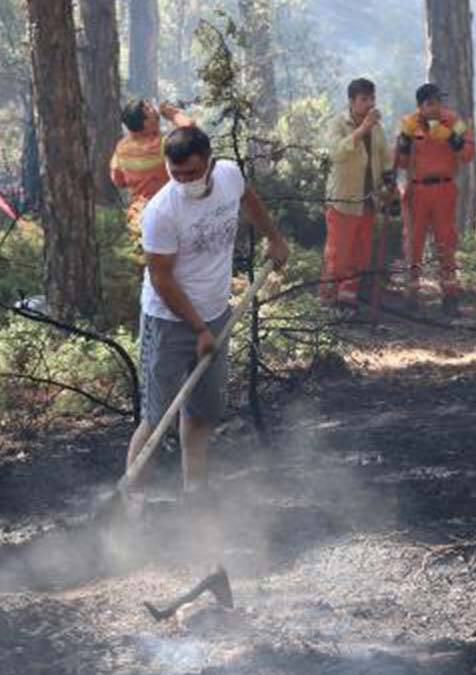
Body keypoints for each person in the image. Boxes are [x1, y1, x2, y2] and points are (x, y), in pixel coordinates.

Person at [125, 126, 290, 499]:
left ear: (210, 164)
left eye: (192, 173)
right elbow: (163, 280)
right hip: (167, 322)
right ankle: (132, 504)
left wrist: (273, 237)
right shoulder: (162, 212)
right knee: (155, 418)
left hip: (216, 313)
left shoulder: (230, 176)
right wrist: (198, 329)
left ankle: (194, 491)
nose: (184, 181)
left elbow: (250, 199)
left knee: (202, 411)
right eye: (176, 173)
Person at [393, 83, 475, 316]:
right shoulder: (409, 123)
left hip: (444, 189)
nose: (437, 107)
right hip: (417, 191)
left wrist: (452, 139)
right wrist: (406, 140)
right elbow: (399, 162)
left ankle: (450, 297)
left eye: (439, 101)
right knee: (413, 243)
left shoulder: (454, 120)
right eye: (431, 103)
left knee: (446, 242)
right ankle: (411, 296)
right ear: (420, 106)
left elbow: (468, 154)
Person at [320, 78, 393, 309]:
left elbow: (384, 156)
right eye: (364, 99)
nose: (370, 103)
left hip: (368, 200)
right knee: (338, 254)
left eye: (372, 98)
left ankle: (347, 298)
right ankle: (328, 299)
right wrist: (362, 130)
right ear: (352, 101)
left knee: (360, 253)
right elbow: (336, 153)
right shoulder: (337, 124)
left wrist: (388, 179)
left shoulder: (378, 128)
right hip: (343, 200)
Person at [110, 99, 194, 238]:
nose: (154, 108)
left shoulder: (121, 148)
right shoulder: (161, 146)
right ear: (145, 125)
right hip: (168, 213)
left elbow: (118, 181)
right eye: (149, 109)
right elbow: (190, 130)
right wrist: (172, 114)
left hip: (139, 217)